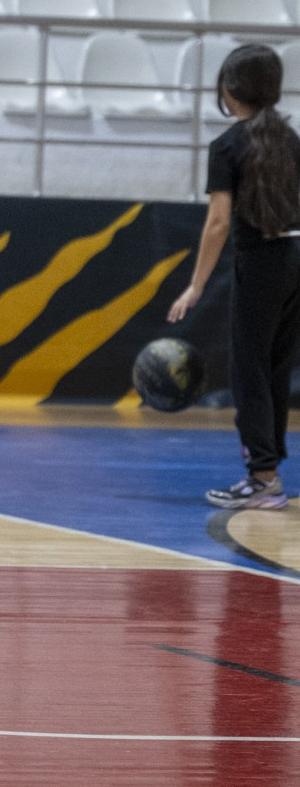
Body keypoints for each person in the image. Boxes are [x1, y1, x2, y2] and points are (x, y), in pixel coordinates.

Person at [169, 43, 300, 511]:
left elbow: (218, 223)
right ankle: (269, 470)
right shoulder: (291, 140)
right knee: (275, 369)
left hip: (262, 260)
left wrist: (196, 285)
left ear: (229, 88)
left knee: (249, 370)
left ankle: (262, 478)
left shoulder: (227, 146)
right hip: (296, 256)